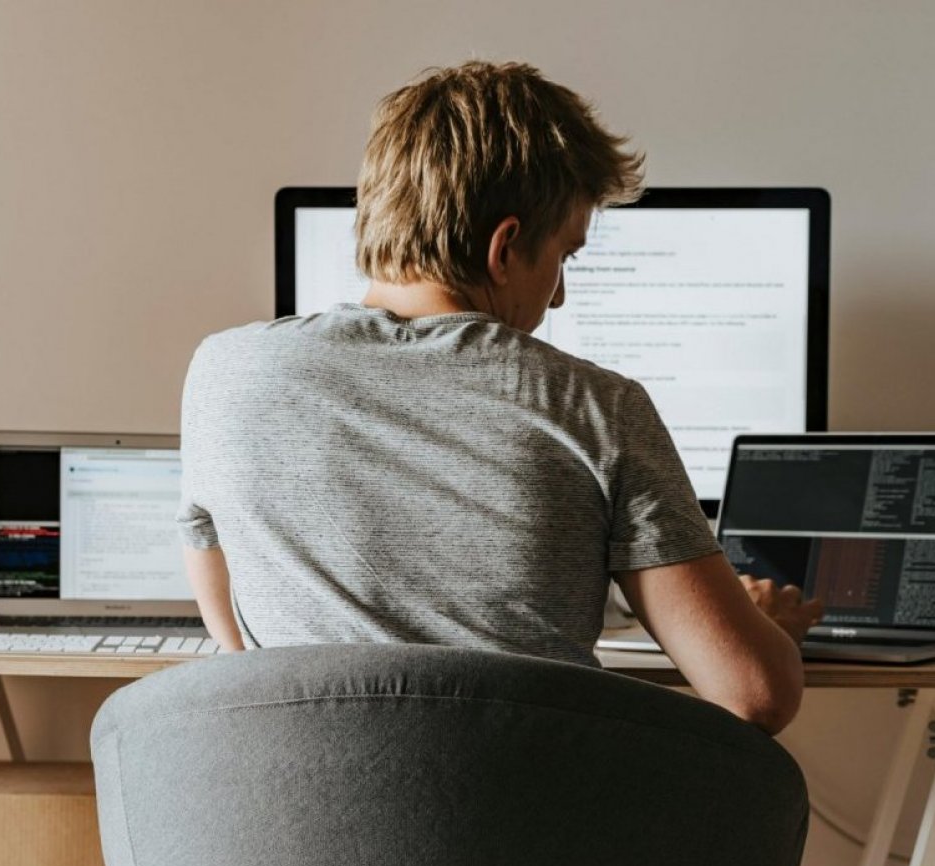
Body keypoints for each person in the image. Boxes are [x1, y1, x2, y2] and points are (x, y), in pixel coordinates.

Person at [176, 61, 822, 735]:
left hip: (293, 825)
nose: (561, 294)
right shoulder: (596, 406)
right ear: (505, 247)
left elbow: (238, 654)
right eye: (565, 257)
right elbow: (754, 695)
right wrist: (765, 631)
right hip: (526, 830)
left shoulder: (224, 373)